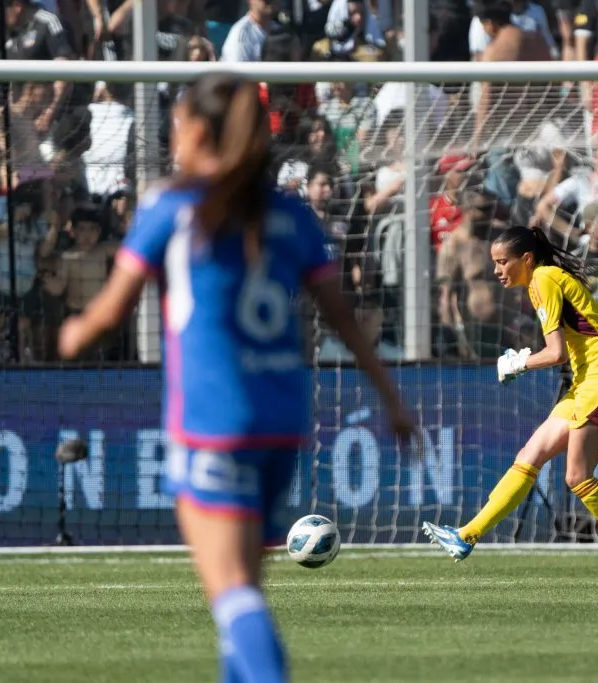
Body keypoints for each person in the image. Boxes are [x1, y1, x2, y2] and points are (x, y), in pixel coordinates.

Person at [57, 74, 416, 683]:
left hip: (213, 420)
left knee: (231, 596)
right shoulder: (292, 216)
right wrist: (391, 397)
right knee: (244, 592)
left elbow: (109, 313)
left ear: (196, 132)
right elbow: (344, 320)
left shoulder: (173, 207)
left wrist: (71, 333)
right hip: (282, 420)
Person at [422, 225, 598, 586]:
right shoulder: (544, 279)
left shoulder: (543, 280)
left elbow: (555, 353)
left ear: (527, 259)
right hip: (586, 380)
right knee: (529, 455)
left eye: (503, 262)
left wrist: (518, 363)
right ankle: (465, 536)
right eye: (495, 262)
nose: (497, 270)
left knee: (577, 477)